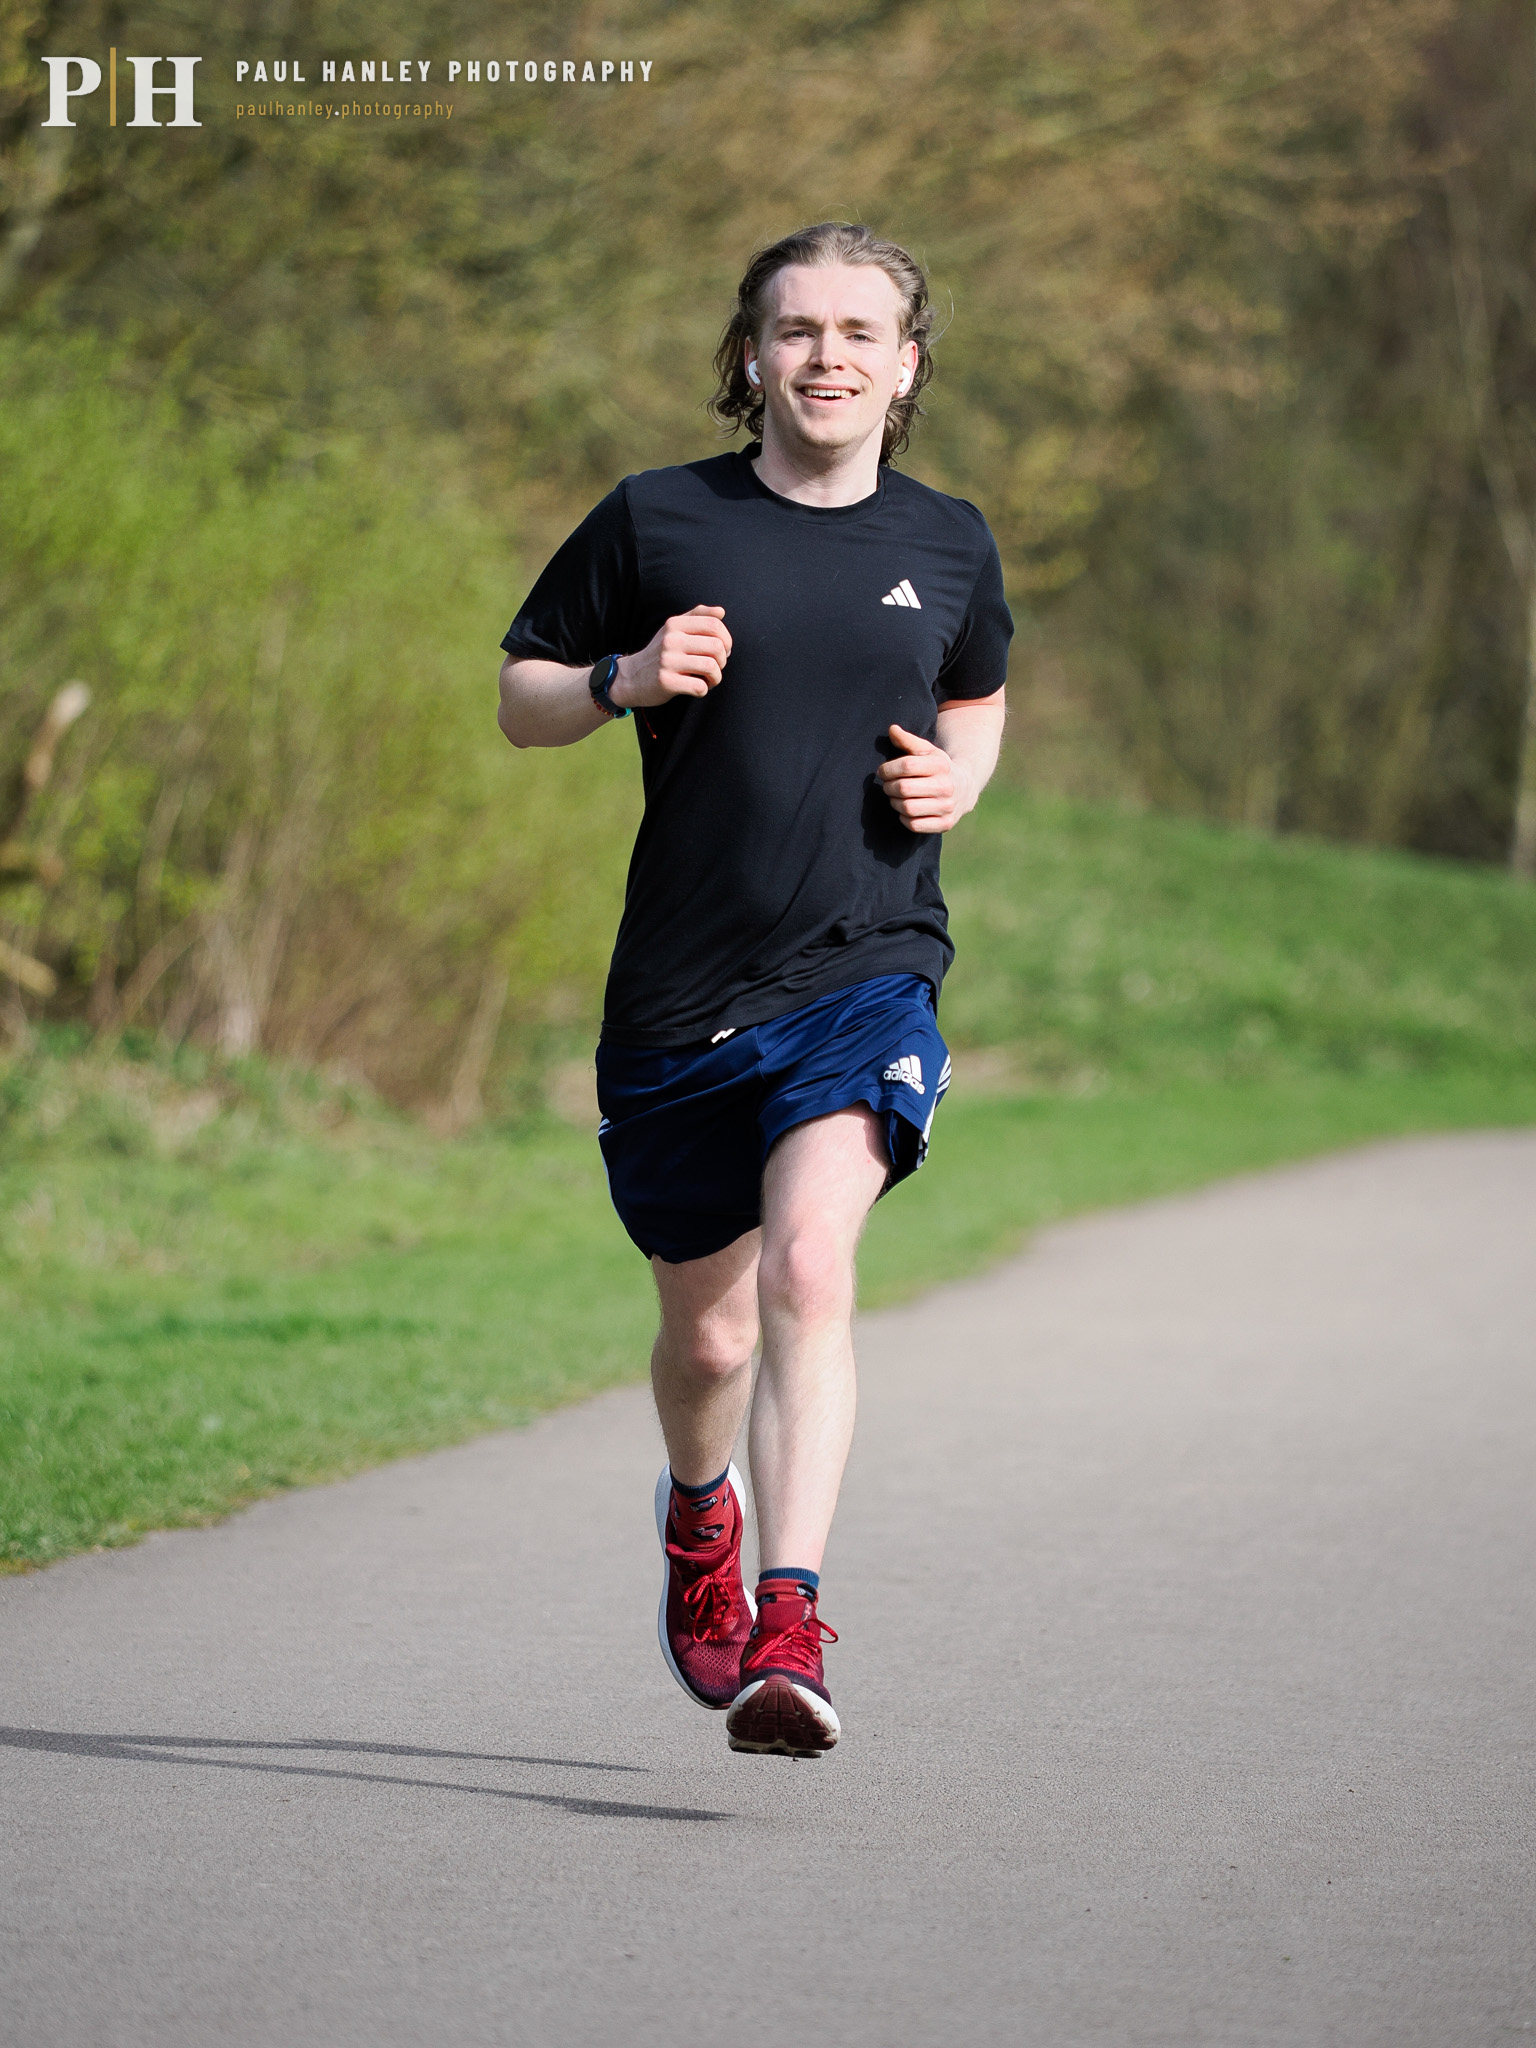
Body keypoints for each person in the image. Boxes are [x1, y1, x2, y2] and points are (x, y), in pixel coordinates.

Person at [497, 221, 1011, 1758]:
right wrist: (622, 680)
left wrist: (958, 784)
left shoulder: (950, 541)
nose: (827, 356)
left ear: (906, 367)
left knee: (807, 1271)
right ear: (750, 355)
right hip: (679, 996)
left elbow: (978, 699)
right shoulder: (658, 519)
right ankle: (699, 1518)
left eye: (860, 333)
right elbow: (521, 695)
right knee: (713, 1344)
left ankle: (791, 1620)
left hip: (867, 967)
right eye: (797, 330)